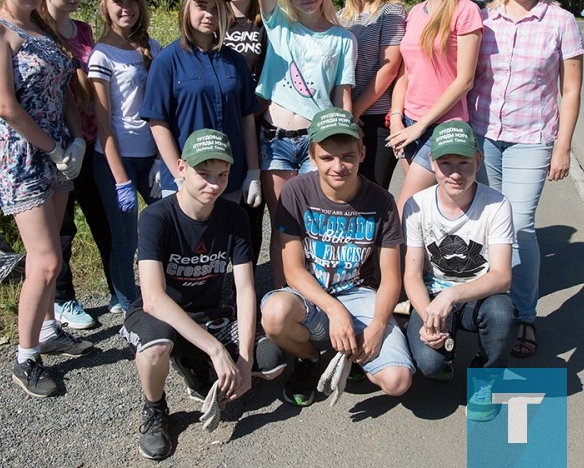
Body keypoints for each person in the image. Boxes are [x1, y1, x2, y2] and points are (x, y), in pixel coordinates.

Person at [0, 0, 116, 327]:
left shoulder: (42, 28)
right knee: (47, 259)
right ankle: (27, 355)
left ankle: (49, 329)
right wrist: (53, 149)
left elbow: (66, 87)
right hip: (22, 154)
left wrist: (76, 140)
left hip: (60, 149)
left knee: (50, 255)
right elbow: (3, 104)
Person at [120, 129, 286, 460]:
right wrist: (216, 350)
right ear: (181, 168)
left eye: (222, 175)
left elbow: (245, 287)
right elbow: (153, 296)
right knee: (156, 349)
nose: (213, 184)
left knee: (272, 363)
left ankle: (194, 363)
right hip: (159, 316)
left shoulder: (234, 216)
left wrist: (245, 359)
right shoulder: (156, 217)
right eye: (204, 173)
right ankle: (155, 410)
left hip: (210, 314)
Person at [468, 0, 584, 358]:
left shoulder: (561, 21)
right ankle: (490, 307)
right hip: (482, 135)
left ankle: (526, 315)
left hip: (531, 138)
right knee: (487, 224)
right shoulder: (485, 18)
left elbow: (569, 90)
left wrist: (563, 147)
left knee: (518, 227)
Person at [260, 108, 413, 407]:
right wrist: (334, 311)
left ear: (362, 152)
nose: (338, 166)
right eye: (327, 157)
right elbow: (292, 269)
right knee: (275, 314)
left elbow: (391, 276)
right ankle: (309, 358)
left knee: (397, 381)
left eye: (348, 156)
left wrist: (378, 326)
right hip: (313, 294)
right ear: (313, 157)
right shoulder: (295, 192)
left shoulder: (382, 201)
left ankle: (354, 352)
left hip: (360, 294)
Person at [243, 0, 356, 285]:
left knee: (318, 224)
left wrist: (350, 141)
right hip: (274, 141)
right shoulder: (279, 25)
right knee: (284, 228)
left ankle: (319, 298)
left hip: (316, 141)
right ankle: (281, 302)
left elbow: (343, 97)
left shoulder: (342, 39)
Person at [402, 119, 514, 422]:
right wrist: (428, 317)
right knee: (429, 364)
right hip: (433, 295)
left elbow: (502, 276)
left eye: (464, 162)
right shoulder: (416, 205)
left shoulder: (497, 204)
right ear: (432, 163)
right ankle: (445, 355)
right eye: (445, 162)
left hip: (477, 295)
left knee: (502, 314)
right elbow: (411, 275)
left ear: (478, 160)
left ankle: (486, 378)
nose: (454, 173)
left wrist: (451, 296)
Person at [141, 0, 263, 250]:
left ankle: (234, 294)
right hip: (188, 178)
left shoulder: (234, 61)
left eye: (216, 7)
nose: (209, 14)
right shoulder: (167, 61)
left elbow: (246, 118)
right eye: (201, 5)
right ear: (186, 9)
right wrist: (177, 173)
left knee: (222, 248)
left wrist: (253, 172)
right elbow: (157, 122)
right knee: (186, 250)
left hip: (227, 178)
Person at [386, 0, 482, 214]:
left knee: (405, 210)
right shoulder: (415, 12)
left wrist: (421, 125)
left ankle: (396, 260)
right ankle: (428, 260)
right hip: (409, 124)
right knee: (427, 211)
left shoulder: (466, 11)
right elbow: (405, 72)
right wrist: (396, 118)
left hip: (442, 128)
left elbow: (464, 81)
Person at [89, 0, 163, 315]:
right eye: (118, 1)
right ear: (105, 6)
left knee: (167, 219)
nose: (126, 8)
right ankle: (126, 299)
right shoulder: (102, 56)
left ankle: (164, 287)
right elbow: (103, 122)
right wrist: (120, 178)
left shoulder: (151, 47)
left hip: (152, 157)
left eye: (132, 1)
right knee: (125, 237)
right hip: (115, 159)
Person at [338, 0, 406, 189]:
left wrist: (354, 111)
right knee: (345, 194)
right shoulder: (340, 16)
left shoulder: (391, 12)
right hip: (347, 116)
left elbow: (389, 68)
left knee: (372, 192)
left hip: (375, 119)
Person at [215, 0, 268, 263]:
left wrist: (251, 109)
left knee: (251, 206)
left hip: (257, 121)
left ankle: (246, 277)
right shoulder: (213, 18)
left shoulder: (266, 21)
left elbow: (276, 74)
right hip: (222, 123)